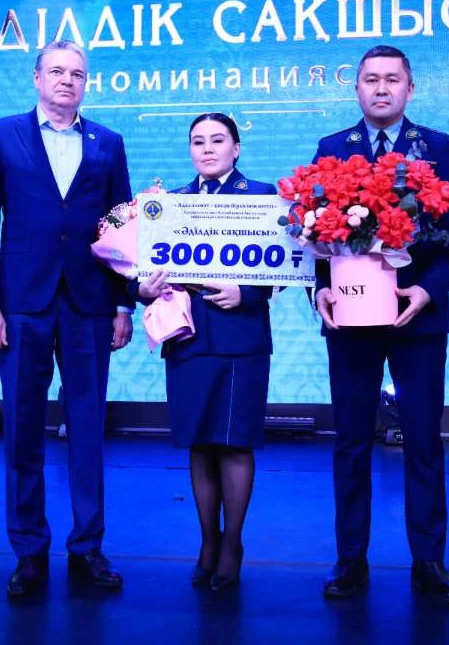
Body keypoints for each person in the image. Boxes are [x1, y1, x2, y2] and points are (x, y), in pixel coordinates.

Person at [0, 40, 134, 597]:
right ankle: (29, 551)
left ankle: (87, 549)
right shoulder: (0, 135)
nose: (67, 80)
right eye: (57, 71)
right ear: (36, 78)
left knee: (88, 430)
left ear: (86, 83)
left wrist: (123, 304)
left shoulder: (109, 143)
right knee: (22, 430)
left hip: (90, 305)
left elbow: (122, 228)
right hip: (20, 305)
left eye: (77, 74)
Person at [312, 45, 449, 605]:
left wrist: (426, 290)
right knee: (351, 442)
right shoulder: (332, 149)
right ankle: (350, 560)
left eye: (392, 79)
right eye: (371, 80)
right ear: (356, 88)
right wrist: (319, 289)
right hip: (351, 320)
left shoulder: (437, 147)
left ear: (410, 88)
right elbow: (312, 234)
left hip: (417, 320)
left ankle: (429, 561)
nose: (381, 89)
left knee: (423, 439)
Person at [136, 113, 276, 592]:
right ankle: (208, 542)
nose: (208, 149)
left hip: (241, 338)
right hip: (188, 339)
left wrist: (248, 292)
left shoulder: (263, 198)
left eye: (218, 140)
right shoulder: (168, 204)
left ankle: (232, 543)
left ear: (237, 148)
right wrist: (142, 289)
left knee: (234, 442)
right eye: (198, 142)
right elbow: (145, 272)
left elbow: (285, 267)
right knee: (199, 442)